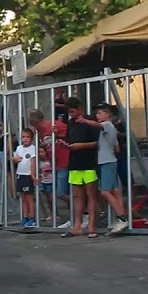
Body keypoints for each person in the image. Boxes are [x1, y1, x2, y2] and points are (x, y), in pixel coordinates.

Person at [62, 97, 99, 238]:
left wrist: (81, 146)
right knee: (77, 196)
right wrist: (67, 145)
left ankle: (91, 226)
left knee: (91, 195)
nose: (71, 114)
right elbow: (69, 139)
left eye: (72, 111)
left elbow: (96, 142)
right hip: (74, 163)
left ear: (79, 109)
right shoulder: (71, 123)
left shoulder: (90, 121)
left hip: (88, 162)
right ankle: (77, 225)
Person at [91, 104, 129, 235]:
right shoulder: (110, 129)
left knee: (105, 192)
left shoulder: (107, 125)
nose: (97, 115)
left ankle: (121, 218)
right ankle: (121, 217)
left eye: (100, 113)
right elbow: (116, 148)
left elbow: (97, 126)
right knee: (115, 191)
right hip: (111, 160)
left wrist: (84, 121)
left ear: (108, 115)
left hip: (107, 161)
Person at [29, 109, 69, 229]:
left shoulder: (55, 125)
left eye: (34, 124)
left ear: (36, 121)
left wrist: (58, 134)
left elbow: (72, 134)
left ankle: (83, 211)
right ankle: (76, 215)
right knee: (61, 192)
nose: (34, 128)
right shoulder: (41, 131)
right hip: (54, 164)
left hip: (64, 161)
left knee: (61, 193)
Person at [12, 128, 38, 229]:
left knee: (29, 198)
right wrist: (15, 159)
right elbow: (14, 158)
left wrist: (33, 175)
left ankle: (32, 218)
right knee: (23, 198)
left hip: (28, 176)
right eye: (23, 137)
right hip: (20, 175)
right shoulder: (19, 148)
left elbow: (33, 162)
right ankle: (25, 217)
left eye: (27, 137)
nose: (25, 139)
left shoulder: (32, 148)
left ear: (31, 138)